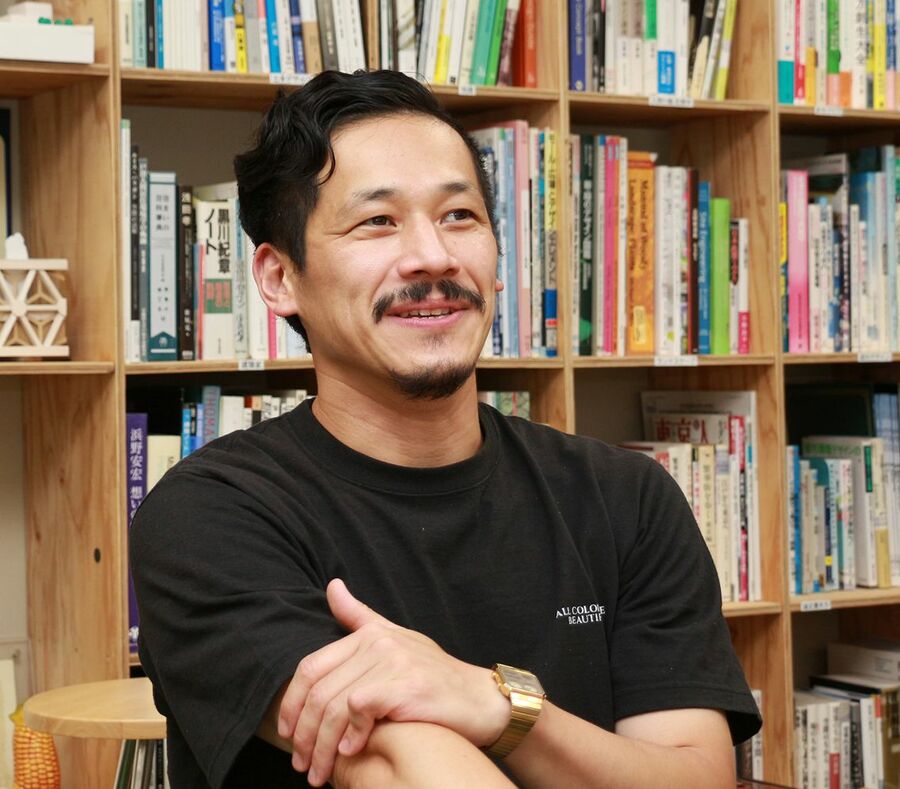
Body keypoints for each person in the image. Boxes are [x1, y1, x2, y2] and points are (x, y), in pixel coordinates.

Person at [131, 69, 761, 789]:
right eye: (377, 221)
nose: (434, 256)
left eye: (459, 215)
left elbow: (696, 776)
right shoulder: (210, 516)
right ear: (280, 279)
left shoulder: (626, 498)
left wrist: (493, 702)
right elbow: (404, 763)